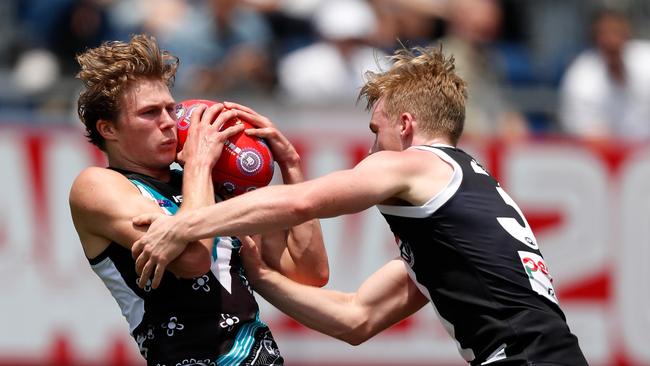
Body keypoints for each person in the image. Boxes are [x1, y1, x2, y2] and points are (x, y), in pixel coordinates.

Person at [132, 46, 588, 365]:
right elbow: (357, 318)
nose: (371, 150)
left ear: (407, 126)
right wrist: (264, 277)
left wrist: (187, 225)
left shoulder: (417, 164)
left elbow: (303, 203)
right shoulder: (464, 203)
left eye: (376, 130)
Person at [68, 34, 328, 366]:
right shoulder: (99, 185)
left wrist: (291, 166)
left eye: (170, 108)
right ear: (108, 129)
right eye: (149, 113)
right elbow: (193, 261)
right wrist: (200, 164)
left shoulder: (204, 184)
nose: (168, 122)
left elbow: (309, 273)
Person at [559, 8, 650, 143]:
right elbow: (590, 136)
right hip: (603, 158)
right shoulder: (580, 78)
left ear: (628, 33)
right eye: (605, 34)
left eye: (618, 33)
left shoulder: (646, 58)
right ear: (595, 39)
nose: (612, 41)